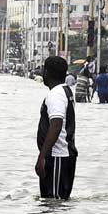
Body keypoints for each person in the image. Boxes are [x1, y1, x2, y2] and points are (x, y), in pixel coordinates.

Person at [35, 56, 78, 200]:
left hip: (57, 156)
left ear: (46, 72)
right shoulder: (65, 91)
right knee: (56, 203)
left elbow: (56, 125)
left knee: (53, 204)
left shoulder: (56, 95)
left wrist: (42, 156)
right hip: (63, 155)